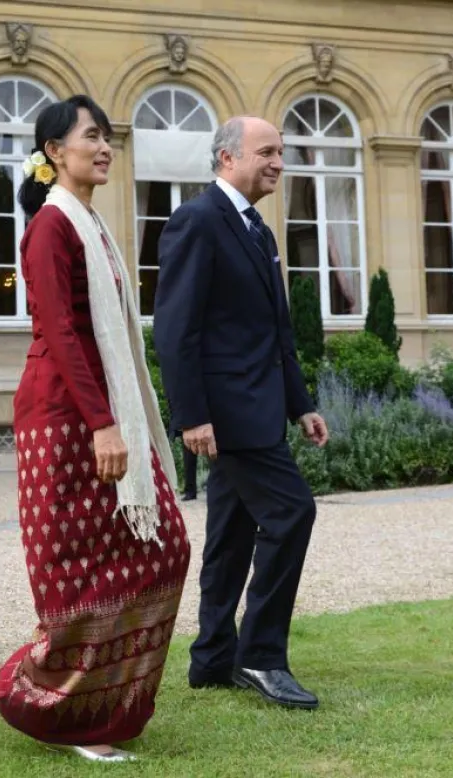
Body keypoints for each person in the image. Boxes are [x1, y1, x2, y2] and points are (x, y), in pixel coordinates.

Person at [0, 95, 191, 764]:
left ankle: (100, 705)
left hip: (103, 411)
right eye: (90, 136)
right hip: (64, 418)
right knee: (74, 573)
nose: (104, 147)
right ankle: (53, 701)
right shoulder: (51, 226)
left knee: (162, 549)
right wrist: (103, 425)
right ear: (55, 151)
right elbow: (59, 330)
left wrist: (113, 418)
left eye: (108, 136)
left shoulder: (92, 224)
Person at [152, 116, 330, 710]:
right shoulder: (197, 220)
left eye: (281, 151)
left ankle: (211, 659)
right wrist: (191, 416)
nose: (279, 162)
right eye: (267, 151)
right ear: (227, 158)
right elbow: (176, 329)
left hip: (261, 407)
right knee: (293, 512)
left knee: (229, 533)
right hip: (227, 415)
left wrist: (300, 404)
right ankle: (261, 656)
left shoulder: (259, 229)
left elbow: (276, 330)